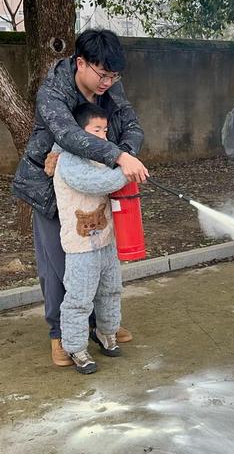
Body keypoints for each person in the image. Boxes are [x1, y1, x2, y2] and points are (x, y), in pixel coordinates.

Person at [12, 29, 149, 367]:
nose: (108, 82)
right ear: (81, 62)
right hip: (51, 187)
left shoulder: (111, 86)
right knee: (59, 263)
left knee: (97, 258)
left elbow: (132, 124)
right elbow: (68, 135)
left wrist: (128, 154)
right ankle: (60, 334)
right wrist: (118, 158)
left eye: (114, 75)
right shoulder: (53, 90)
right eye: (103, 74)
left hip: (96, 183)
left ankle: (97, 326)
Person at [53, 102, 127, 374]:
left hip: (106, 240)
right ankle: (75, 347)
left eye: (105, 131)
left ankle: (107, 333)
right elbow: (97, 183)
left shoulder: (101, 155)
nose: (103, 137)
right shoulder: (68, 159)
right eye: (96, 130)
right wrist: (126, 170)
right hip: (80, 246)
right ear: (79, 131)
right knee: (80, 297)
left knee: (111, 288)